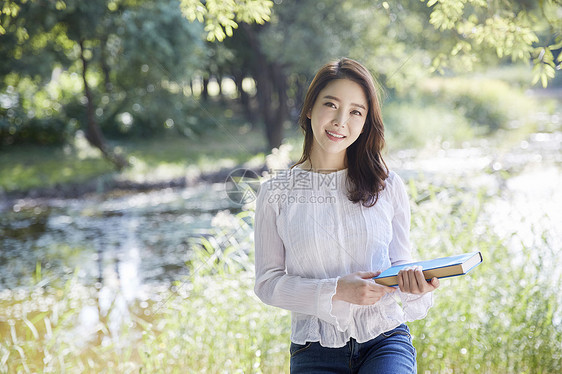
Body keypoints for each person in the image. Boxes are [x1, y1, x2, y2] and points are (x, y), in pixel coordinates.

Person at [253, 57, 440, 373]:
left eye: (356, 111)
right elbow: (268, 284)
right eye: (331, 104)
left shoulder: (387, 185)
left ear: (366, 122)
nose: (341, 120)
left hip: (385, 339)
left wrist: (414, 286)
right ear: (310, 107)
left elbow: (399, 263)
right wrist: (336, 290)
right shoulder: (276, 193)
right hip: (315, 349)